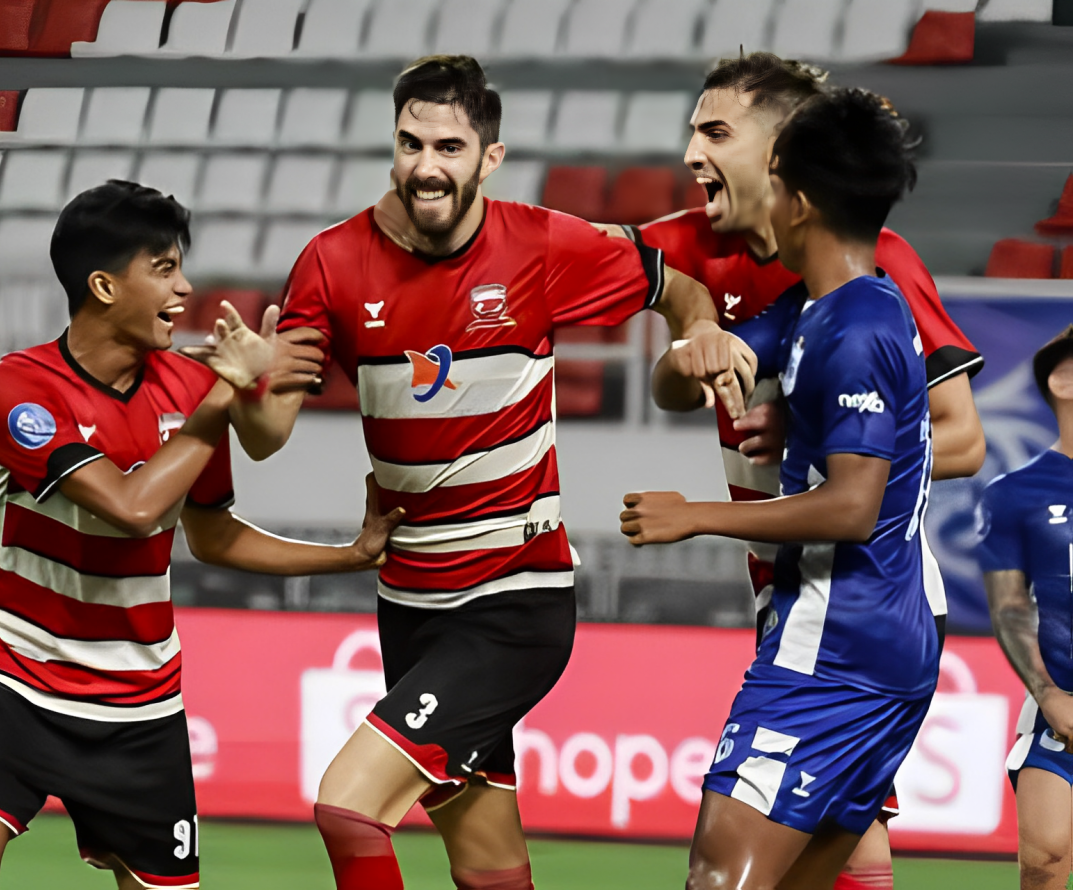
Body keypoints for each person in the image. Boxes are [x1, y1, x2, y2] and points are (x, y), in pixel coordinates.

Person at [212, 55, 750, 890]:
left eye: (450, 147)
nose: (427, 165)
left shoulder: (542, 242)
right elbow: (266, 436)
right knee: (487, 862)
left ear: (487, 160)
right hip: (409, 604)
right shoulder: (331, 262)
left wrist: (696, 337)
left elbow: (675, 289)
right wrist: (251, 382)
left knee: (348, 807)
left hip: (514, 599)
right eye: (411, 143)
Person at [0, 181, 401, 890]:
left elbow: (212, 537)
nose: (185, 288)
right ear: (104, 286)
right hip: (14, 682)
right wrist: (223, 395)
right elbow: (131, 506)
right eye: (165, 268)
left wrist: (349, 557)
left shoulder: (185, 387)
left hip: (140, 707)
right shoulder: (18, 389)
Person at [615, 51, 985, 889]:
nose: (691, 154)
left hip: (839, 625)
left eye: (718, 132)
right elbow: (697, 363)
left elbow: (869, 494)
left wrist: (699, 512)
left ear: (791, 181)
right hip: (856, 623)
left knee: (721, 877)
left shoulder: (864, 308)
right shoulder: (812, 304)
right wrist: (694, 332)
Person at [980, 326, 1073, 890]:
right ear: (1062, 379)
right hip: (1062, 709)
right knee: (1044, 861)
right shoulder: (1015, 493)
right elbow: (1010, 607)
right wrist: (1049, 694)